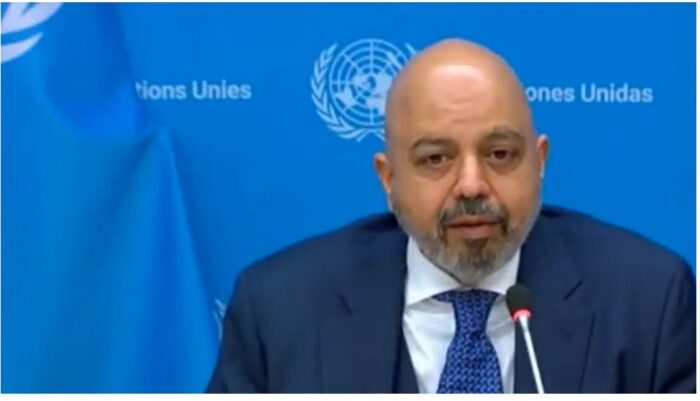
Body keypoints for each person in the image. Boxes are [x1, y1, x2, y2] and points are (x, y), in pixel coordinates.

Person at [206, 39, 696, 393]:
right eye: (435, 158)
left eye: (500, 154)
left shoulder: (648, 299)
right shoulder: (281, 308)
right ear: (388, 178)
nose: (471, 185)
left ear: (539, 162)